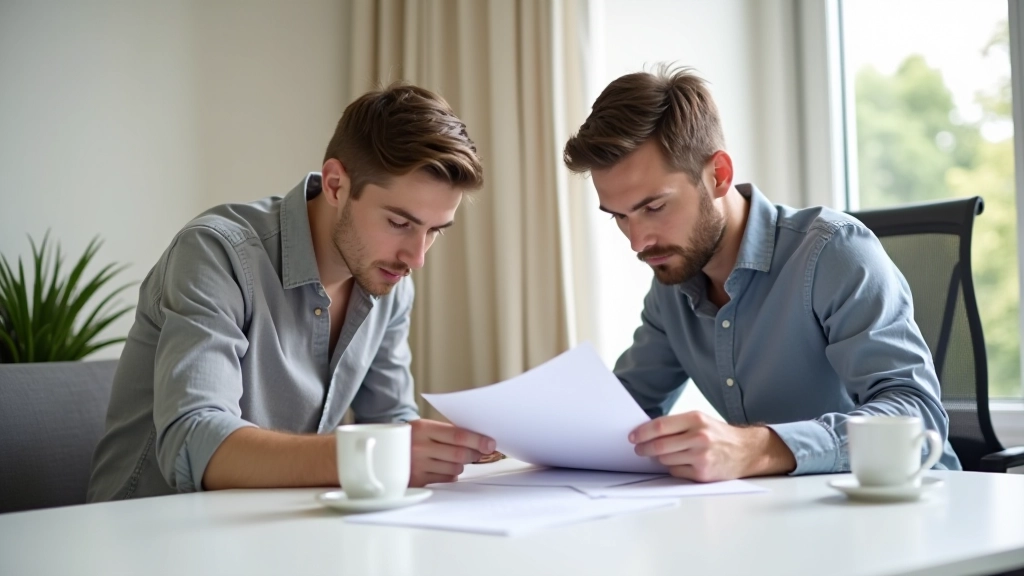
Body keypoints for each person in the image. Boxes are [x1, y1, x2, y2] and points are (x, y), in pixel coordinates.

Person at [88, 83, 496, 501]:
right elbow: (194, 440)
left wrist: (441, 452)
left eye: (434, 232)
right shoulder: (216, 254)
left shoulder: (387, 278)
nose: (416, 258)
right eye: (399, 223)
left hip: (281, 533)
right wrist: (367, 457)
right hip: (150, 536)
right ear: (336, 184)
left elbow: (391, 424)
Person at [562, 66, 961, 481]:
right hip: (779, 518)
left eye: (654, 207)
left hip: (908, 508)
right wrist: (503, 432)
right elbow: (623, 413)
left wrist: (756, 449)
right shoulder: (673, 280)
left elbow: (918, 417)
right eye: (619, 217)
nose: (637, 241)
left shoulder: (833, 252)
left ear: (718, 175)